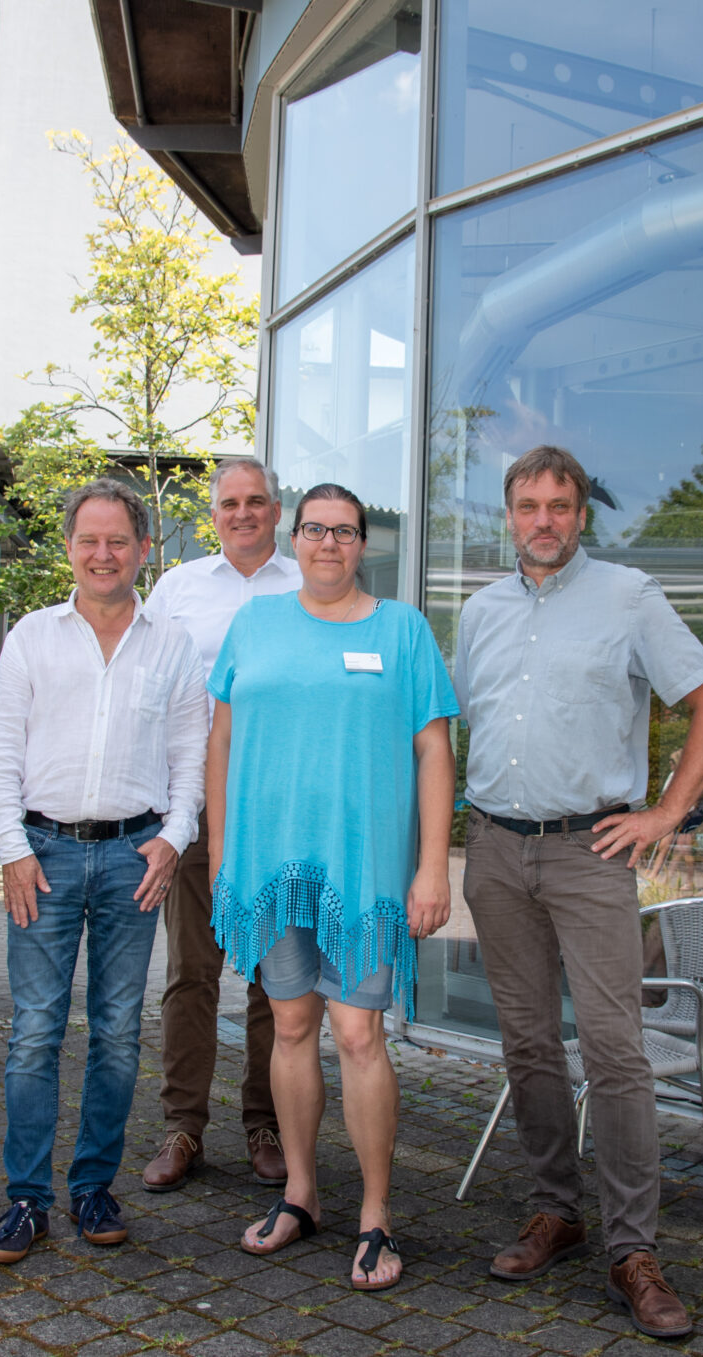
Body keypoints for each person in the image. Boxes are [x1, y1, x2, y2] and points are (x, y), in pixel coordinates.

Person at [454, 445, 703, 1339]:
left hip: (591, 851)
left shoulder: (628, 597)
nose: (544, 520)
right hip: (496, 851)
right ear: (509, 515)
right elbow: (469, 725)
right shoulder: (479, 612)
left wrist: (666, 813)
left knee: (615, 1052)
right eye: (529, 505)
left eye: (560, 505)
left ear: (581, 515)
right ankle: (555, 1210)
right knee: (529, 1044)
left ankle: (634, 1250)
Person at [207, 483, 457, 1292]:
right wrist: (221, 856)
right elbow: (221, 739)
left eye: (344, 531)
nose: (328, 543)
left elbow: (433, 751)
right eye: (314, 528)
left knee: (357, 1034)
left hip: (365, 872)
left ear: (363, 542)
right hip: (273, 867)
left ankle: (377, 1214)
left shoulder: (403, 629)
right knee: (287, 1026)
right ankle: (302, 1194)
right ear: (296, 535)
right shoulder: (254, 623)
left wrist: (431, 865)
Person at [0, 477, 209, 1264]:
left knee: (114, 1035)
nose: (103, 554)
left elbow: (190, 758)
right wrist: (8, 846)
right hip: (42, 856)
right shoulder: (33, 637)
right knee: (35, 1032)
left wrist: (174, 838)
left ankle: (93, 1188)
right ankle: (26, 1201)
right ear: (69, 548)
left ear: (144, 550)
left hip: (133, 860)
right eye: (89, 540)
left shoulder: (171, 645)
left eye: (118, 541)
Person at [140, 457, 299, 1192]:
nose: (243, 513)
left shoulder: (308, 585)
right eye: (229, 503)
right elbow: (156, 694)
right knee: (191, 974)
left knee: (276, 977)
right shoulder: (176, 590)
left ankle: (265, 1123)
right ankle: (184, 1127)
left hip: (278, 810)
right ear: (214, 514)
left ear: (277, 510)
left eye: (256, 501)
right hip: (198, 808)